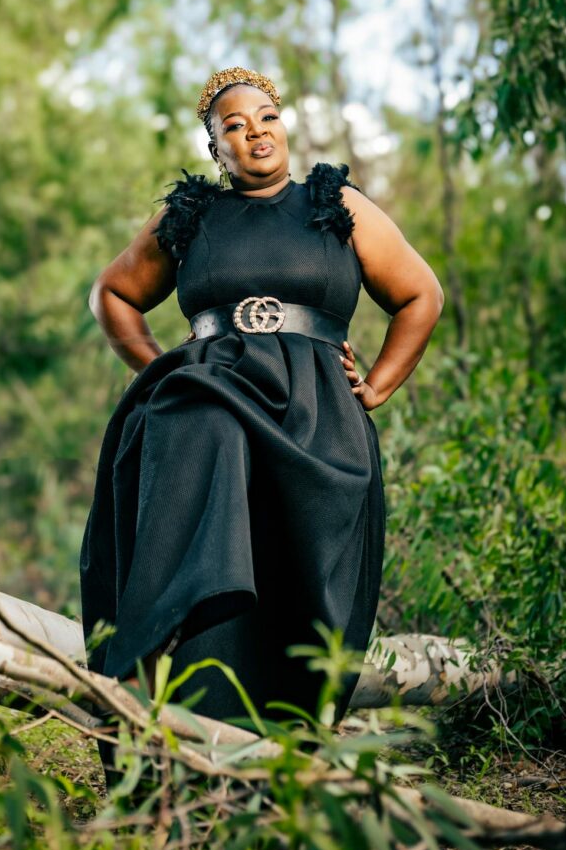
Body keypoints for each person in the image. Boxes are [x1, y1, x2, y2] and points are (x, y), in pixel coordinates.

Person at [80, 66, 444, 730]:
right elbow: (113, 293)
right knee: (202, 430)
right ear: (215, 149)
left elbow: (421, 294)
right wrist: (158, 368)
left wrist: (381, 383)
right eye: (234, 127)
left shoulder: (336, 206)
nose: (255, 134)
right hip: (211, 391)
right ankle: (164, 665)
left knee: (302, 588)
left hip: (317, 415)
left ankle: (279, 746)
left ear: (284, 123)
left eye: (266, 118)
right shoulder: (190, 217)